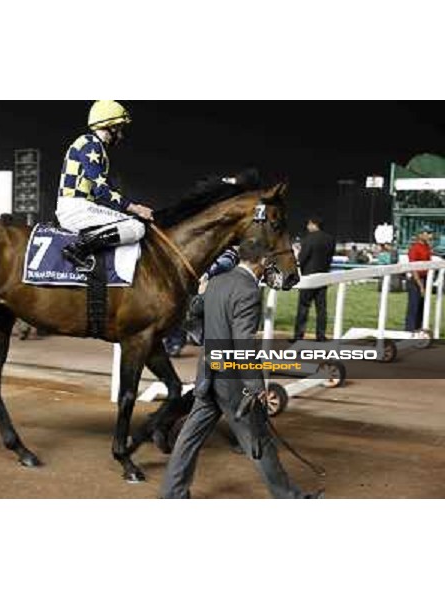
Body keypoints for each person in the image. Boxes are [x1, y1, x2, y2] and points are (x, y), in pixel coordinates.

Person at [160, 239, 321, 499]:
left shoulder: (218, 281)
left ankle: (172, 493)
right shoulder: (248, 290)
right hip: (232, 381)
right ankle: (291, 498)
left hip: (208, 374)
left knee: (189, 438)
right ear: (261, 261)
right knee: (259, 440)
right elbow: (243, 342)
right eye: (268, 261)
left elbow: (195, 311)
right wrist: (256, 386)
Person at [56, 100, 153, 270]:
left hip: (79, 206)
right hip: (76, 208)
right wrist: (136, 208)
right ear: (111, 127)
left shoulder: (92, 144)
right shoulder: (90, 144)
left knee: (127, 220)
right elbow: (102, 190)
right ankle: (78, 249)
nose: (121, 135)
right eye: (119, 128)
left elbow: (103, 191)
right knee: (135, 226)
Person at [292, 216, 336, 342]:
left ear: (312, 224)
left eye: (308, 224)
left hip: (309, 277)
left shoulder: (308, 239)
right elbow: (330, 257)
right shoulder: (330, 239)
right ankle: (321, 335)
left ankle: (298, 336)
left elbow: (302, 259)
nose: (307, 227)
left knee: (303, 307)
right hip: (323, 276)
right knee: (321, 308)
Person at [405, 227, 433, 331]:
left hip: (425, 278)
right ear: (420, 235)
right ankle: (409, 330)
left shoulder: (427, 247)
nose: (430, 236)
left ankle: (418, 328)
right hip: (415, 279)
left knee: (422, 306)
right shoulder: (415, 248)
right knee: (414, 306)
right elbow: (413, 268)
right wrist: (420, 285)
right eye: (428, 233)